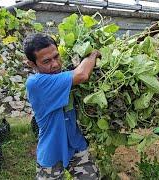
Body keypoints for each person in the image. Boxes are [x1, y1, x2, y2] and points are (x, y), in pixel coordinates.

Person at [23, 33, 101, 180]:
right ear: (32, 64)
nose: (55, 64)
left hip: (76, 144)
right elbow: (82, 74)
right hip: (52, 150)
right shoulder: (36, 83)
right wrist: (93, 54)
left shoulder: (61, 75)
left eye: (56, 56)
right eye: (46, 61)